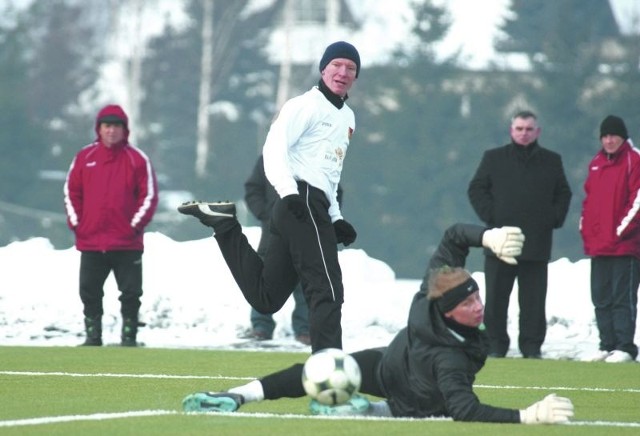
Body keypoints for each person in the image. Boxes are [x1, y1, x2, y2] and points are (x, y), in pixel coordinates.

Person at [181, 224, 574, 425]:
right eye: (469, 302)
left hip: (394, 366)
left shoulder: (432, 290)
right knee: (328, 377)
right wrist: (525, 416)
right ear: (449, 311)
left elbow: (454, 236)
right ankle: (242, 396)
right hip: (410, 399)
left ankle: (244, 397)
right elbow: (463, 410)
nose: (479, 307)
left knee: (324, 373)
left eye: (477, 297)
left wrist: (486, 236)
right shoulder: (448, 359)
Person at [178, 41, 360, 353]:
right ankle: (330, 369)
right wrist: (288, 194)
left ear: (356, 76)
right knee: (327, 288)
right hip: (299, 200)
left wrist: (335, 216)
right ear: (323, 68)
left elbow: (330, 172)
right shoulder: (304, 105)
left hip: (311, 205)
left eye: (350, 68)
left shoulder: (348, 118)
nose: (342, 72)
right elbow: (273, 149)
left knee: (267, 296)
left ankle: (224, 226)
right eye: (336, 65)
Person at [467, 110, 572, 359]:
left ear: (537, 131)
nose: (524, 133)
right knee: (495, 299)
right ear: (511, 130)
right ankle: (494, 346)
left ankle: (532, 346)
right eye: (519, 128)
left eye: (528, 129)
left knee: (534, 301)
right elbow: (476, 189)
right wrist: (493, 217)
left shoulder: (551, 160)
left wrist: (552, 219)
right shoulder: (493, 158)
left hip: (536, 242)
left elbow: (563, 194)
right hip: (500, 242)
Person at [63, 104, 159, 347]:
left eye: (117, 126)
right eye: (107, 126)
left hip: (127, 242)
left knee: (130, 293)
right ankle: (93, 336)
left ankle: (129, 336)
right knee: (89, 291)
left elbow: (148, 196)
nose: (111, 131)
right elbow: (71, 192)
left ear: (124, 130)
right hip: (91, 241)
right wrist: (78, 224)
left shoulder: (137, 159)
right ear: (99, 129)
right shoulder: (84, 157)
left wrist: (133, 227)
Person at [580, 115, 640, 363]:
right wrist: (585, 228)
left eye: (613, 135)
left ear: (622, 136)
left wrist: (618, 232)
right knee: (601, 297)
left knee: (622, 298)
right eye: (605, 136)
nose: (609, 140)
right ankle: (607, 344)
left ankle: (625, 346)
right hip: (599, 246)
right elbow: (589, 199)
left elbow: (637, 201)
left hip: (624, 246)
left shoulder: (633, 160)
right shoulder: (596, 163)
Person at [243, 155, 311, 345]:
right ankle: (261, 327)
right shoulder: (267, 158)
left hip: (306, 230)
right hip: (271, 232)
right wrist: (265, 214)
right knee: (263, 279)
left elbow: (333, 190)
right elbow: (252, 189)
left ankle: (305, 329)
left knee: (306, 281)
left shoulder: (313, 154)